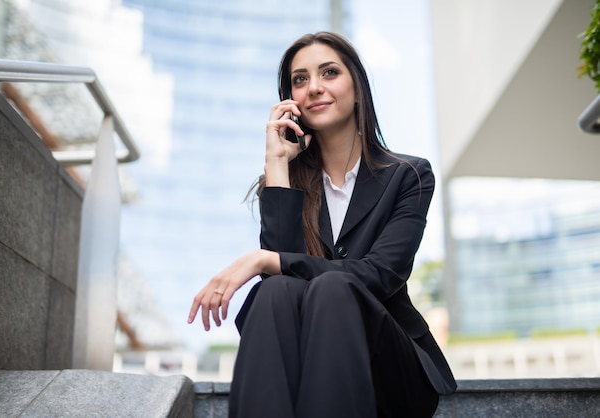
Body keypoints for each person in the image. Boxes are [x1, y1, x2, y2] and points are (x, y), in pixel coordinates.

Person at [188, 31, 456, 418]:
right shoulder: (285, 185)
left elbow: (379, 275)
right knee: (274, 294)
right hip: (304, 362)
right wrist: (277, 165)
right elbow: (284, 284)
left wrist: (262, 260)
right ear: (290, 101)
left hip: (390, 370)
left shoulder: (409, 175)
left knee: (333, 287)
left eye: (328, 72)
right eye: (300, 79)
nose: (313, 87)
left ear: (358, 88)